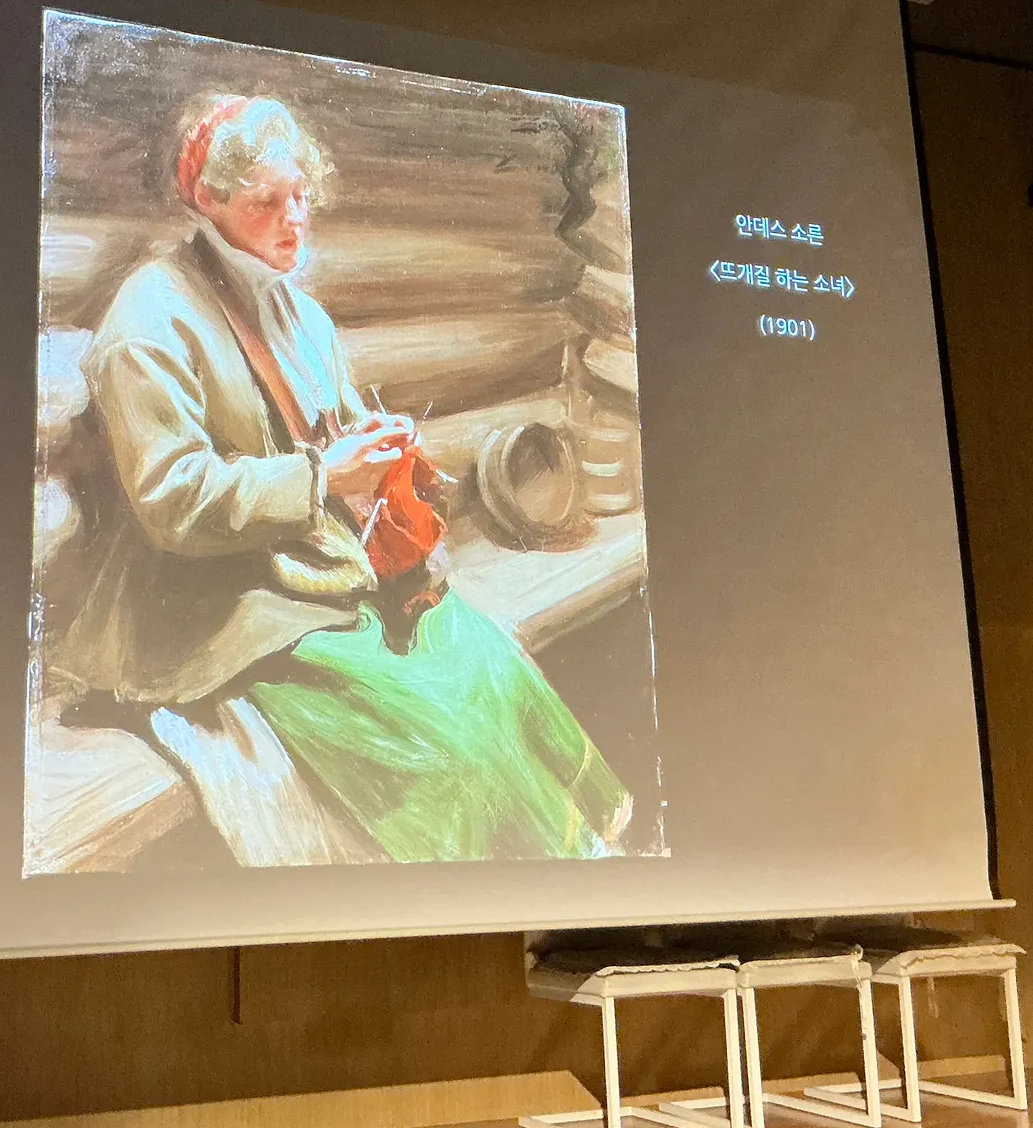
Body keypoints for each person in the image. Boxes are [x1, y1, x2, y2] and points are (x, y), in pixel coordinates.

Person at [52, 93, 631, 866]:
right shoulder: (150, 321)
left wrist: (381, 449)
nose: (294, 220)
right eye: (266, 203)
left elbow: (338, 428)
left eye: (300, 196)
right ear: (208, 201)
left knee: (486, 662)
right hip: (214, 606)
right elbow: (173, 502)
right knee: (439, 739)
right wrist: (324, 477)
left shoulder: (298, 313)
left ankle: (584, 861)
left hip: (312, 571)